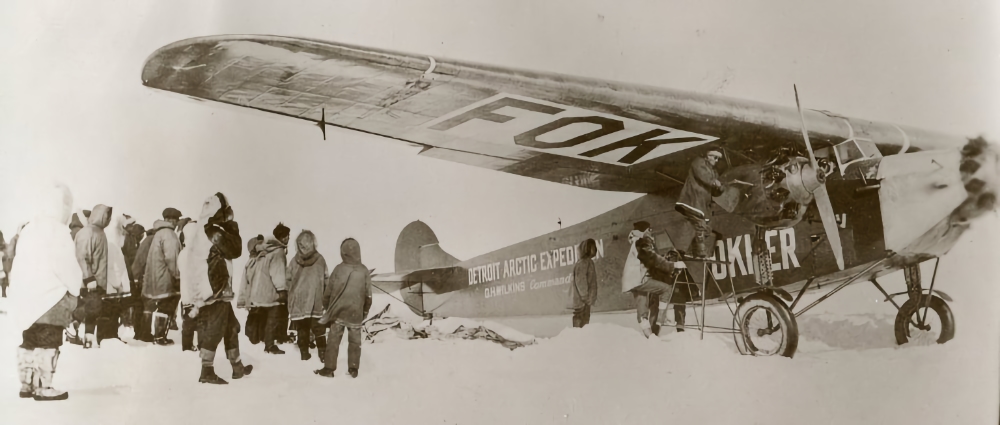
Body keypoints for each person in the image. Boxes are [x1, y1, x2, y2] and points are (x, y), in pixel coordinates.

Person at [11, 183, 80, 401]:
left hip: (26, 299)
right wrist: (75, 288)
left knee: (29, 340)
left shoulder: (29, 228)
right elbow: (66, 266)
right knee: (49, 341)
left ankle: (26, 384)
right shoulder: (58, 231)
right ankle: (45, 386)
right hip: (50, 299)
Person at [180, 192, 251, 384]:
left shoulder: (202, 229)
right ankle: (207, 370)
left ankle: (237, 366)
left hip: (213, 288)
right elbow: (235, 250)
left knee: (231, 327)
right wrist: (232, 226)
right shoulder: (213, 231)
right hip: (214, 290)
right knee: (215, 328)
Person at [315, 238, 372, 378]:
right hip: (356, 313)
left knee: (333, 340)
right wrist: (364, 312)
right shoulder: (364, 271)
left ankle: (329, 368)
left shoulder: (339, 269)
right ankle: (353, 368)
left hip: (339, 312)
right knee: (355, 341)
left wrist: (329, 308)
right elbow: (368, 296)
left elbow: (327, 293)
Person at [622, 221, 685, 337]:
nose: (651, 231)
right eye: (649, 229)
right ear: (644, 230)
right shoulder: (642, 241)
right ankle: (661, 318)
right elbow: (652, 259)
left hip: (632, 281)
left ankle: (650, 337)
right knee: (666, 289)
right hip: (640, 279)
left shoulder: (635, 242)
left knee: (642, 312)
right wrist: (673, 265)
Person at [242, 223, 290, 354]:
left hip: (258, 290)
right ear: (280, 237)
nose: (287, 239)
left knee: (261, 316)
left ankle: (257, 339)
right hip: (270, 290)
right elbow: (278, 272)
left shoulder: (263, 250)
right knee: (274, 316)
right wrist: (282, 290)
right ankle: (269, 345)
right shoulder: (278, 251)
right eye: (286, 236)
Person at [74, 204, 112, 349]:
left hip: (98, 280)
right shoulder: (88, 232)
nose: (107, 219)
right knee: (91, 309)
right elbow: (82, 256)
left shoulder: (100, 232)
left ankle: (88, 339)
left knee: (94, 311)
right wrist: (89, 277)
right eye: (106, 215)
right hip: (90, 281)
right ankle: (71, 323)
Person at [286, 230, 328, 361]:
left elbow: (287, 280)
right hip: (316, 299)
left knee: (302, 328)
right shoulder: (320, 260)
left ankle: (304, 353)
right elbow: (327, 279)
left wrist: (291, 294)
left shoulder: (294, 261)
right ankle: (322, 354)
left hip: (299, 301)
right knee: (319, 327)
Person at [143, 208, 183, 346]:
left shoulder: (158, 233)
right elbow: (172, 258)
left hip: (156, 276)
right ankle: (160, 337)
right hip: (165, 277)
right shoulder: (169, 234)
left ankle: (152, 335)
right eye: (176, 220)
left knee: (158, 306)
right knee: (167, 306)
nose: (177, 223)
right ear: (172, 220)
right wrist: (177, 276)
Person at [675, 149, 724, 258]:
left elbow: (715, 188)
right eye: (714, 157)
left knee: (702, 226)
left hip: (702, 204)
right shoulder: (699, 162)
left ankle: (683, 250)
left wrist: (720, 188)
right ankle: (699, 251)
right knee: (700, 224)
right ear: (708, 156)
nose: (716, 161)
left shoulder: (713, 171)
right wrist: (715, 182)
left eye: (718, 159)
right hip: (692, 200)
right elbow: (704, 176)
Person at [97, 214, 134, 343]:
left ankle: (109, 335)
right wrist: (118, 284)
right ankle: (108, 336)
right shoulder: (112, 246)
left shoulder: (111, 245)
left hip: (110, 286)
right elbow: (113, 269)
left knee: (112, 312)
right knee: (110, 312)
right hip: (112, 287)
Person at [236, 235, 266, 345]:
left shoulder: (253, 261)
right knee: (257, 317)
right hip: (256, 296)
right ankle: (255, 338)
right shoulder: (253, 262)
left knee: (257, 317)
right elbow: (247, 281)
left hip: (255, 296)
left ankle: (256, 338)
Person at [130, 226, 156, 342]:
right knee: (145, 305)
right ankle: (144, 333)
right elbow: (140, 260)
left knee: (139, 305)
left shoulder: (147, 241)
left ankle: (139, 333)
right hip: (144, 278)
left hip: (140, 277)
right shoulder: (150, 241)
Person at [568, 238, 599, 328]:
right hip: (581, 300)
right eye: (592, 247)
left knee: (585, 319)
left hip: (585, 300)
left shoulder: (588, 262)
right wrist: (585, 296)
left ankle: (582, 337)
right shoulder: (583, 263)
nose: (595, 249)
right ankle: (578, 337)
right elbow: (580, 281)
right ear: (586, 248)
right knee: (580, 318)